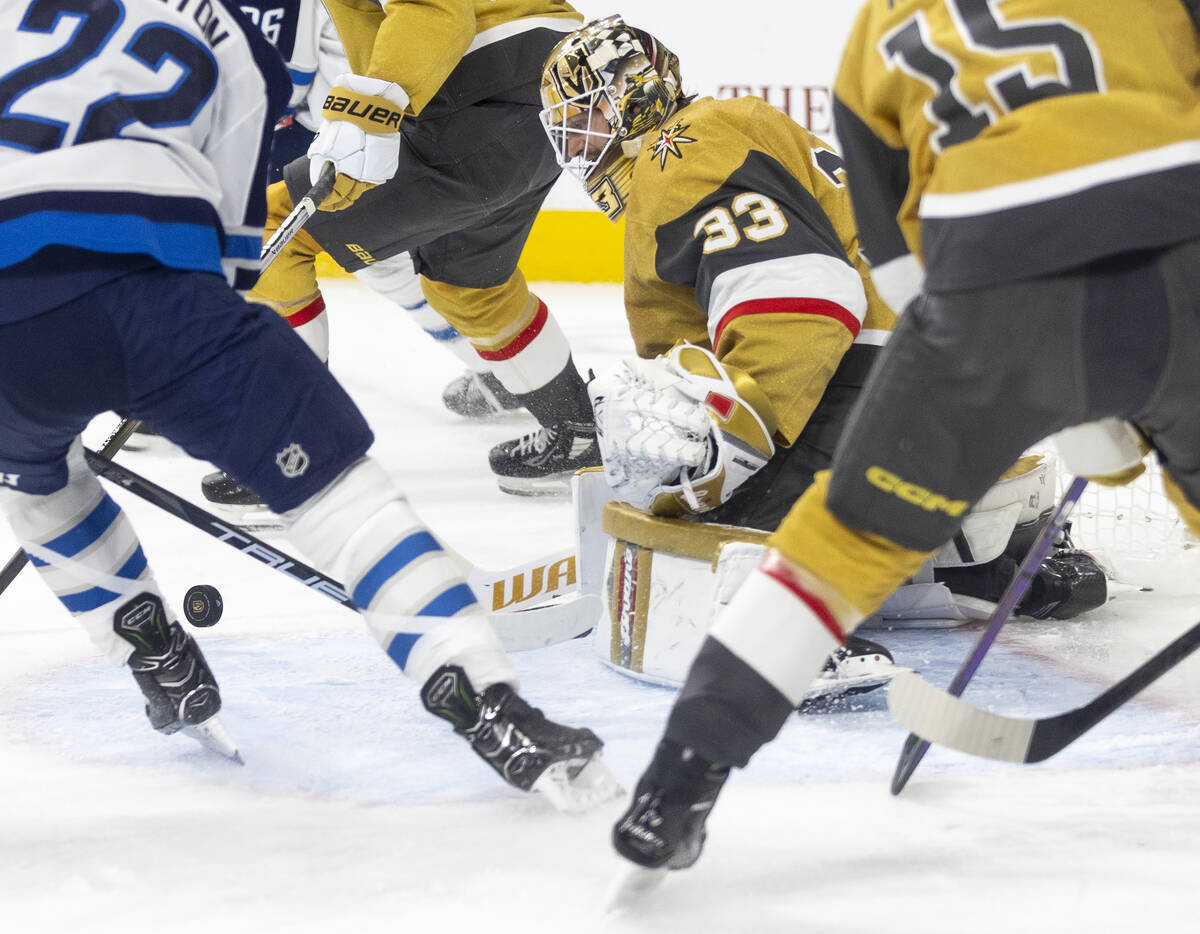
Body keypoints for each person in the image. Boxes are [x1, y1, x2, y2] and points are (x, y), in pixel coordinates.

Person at [601, 0, 1200, 874]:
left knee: (831, 551)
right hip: (1176, 263)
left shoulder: (876, 34)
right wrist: (1115, 373)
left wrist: (1035, 379)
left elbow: (903, 274)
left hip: (983, 300)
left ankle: (680, 775)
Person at [0, 0, 612, 811]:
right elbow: (231, 247)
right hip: (158, 300)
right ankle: (491, 704)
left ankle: (150, 651)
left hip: (7, 304)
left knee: (34, 481)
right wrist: (174, 369)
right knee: (351, 504)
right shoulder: (233, 37)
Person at [537, 16, 1104, 693]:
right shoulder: (725, 127)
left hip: (894, 371)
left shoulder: (677, 151)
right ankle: (994, 554)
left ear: (627, 93)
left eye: (582, 120)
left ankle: (774, 632)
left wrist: (745, 432)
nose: (578, 146)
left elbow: (806, 295)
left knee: (710, 510)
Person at [209, 0, 600, 511]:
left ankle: (293, 452)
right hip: (554, 91)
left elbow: (435, 10)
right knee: (468, 285)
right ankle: (577, 437)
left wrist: (364, 113)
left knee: (267, 227)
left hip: (482, 83)